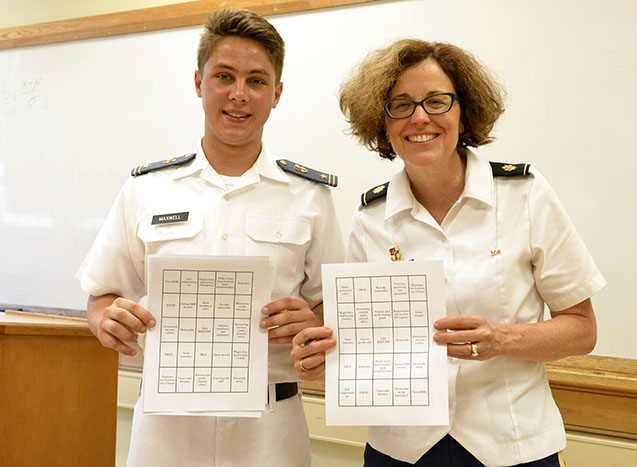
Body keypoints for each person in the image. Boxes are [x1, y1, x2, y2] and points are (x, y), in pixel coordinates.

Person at [291, 39, 605, 467]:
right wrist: (322, 360)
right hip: (402, 449)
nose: (420, 117)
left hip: (512, 446)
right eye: (400, 104)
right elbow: (365, 344)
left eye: (437, 101)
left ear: (463, 111)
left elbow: (582, 329)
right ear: (383, 125)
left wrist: (503, 339)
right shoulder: (370, 218)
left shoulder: (525, 195)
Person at [76, 9, 343, 467]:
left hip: (270, 428)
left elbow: (336, 308)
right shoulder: (146, 189)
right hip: (166, 428)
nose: (239, 94)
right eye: (225, 76)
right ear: (199, 83)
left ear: (276, 94)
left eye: (257, 81)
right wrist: (105, 320)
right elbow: (101, 296)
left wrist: (313, 323)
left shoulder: (310, 197)